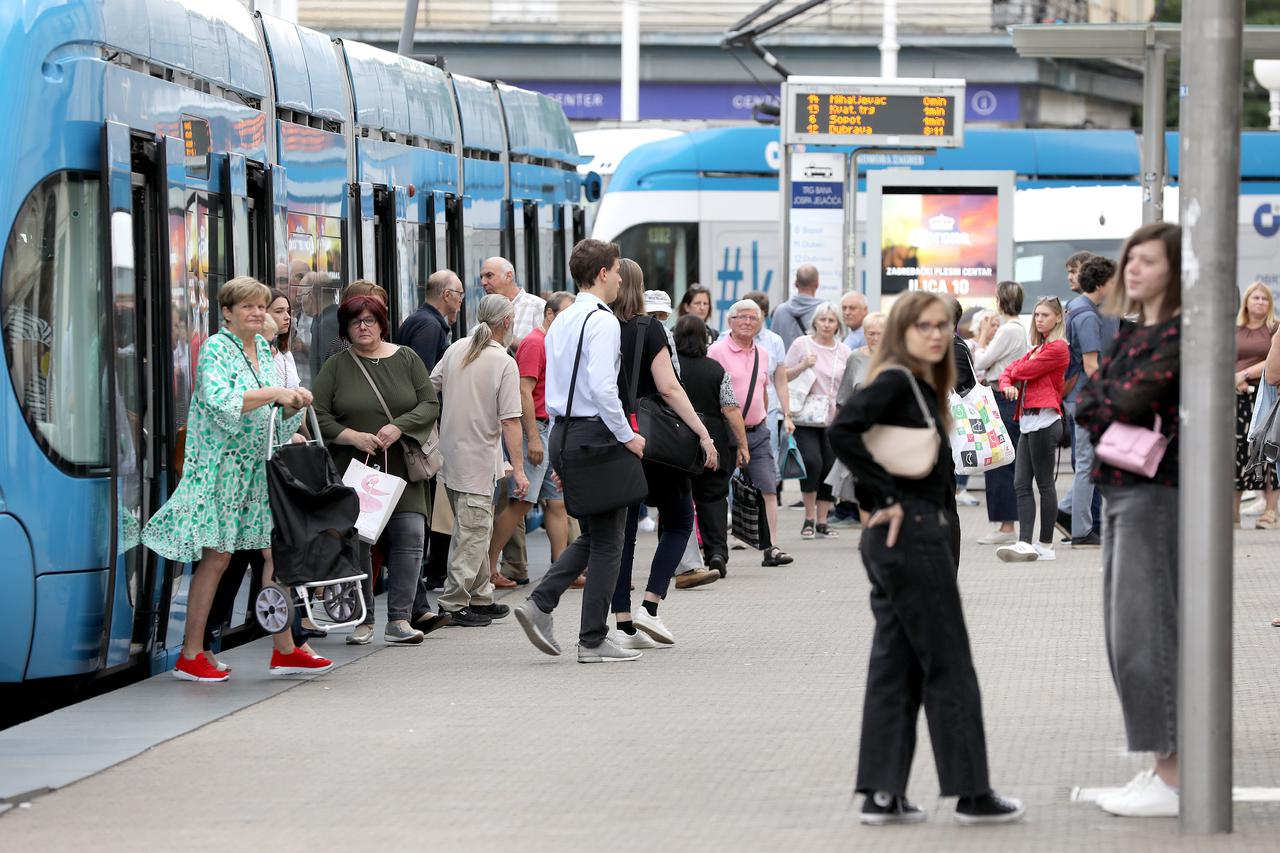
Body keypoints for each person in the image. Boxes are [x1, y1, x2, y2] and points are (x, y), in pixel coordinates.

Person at [827, 291, 1024, 826]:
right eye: (924, 326)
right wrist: (885, 495)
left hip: (910, 536)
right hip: (910, 535)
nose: (936, 335)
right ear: (903, 332)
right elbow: (844, 430)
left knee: (896, 663)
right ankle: (971, 792)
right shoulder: (897, 380)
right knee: (949, 663)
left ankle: (882, 792)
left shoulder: (917, 382)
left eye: (942, 326)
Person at [141, 276, 330, 681]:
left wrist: (295, 402)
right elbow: (220, 399)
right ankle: (191, 653)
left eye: (261, 306)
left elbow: (274, 424)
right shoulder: (215, 349)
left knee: (275, 554)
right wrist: (275, 394)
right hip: (221, 470)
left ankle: (284, 649)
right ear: (227, 313)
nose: (258, 313)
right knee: (218, 558)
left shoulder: (262, 348)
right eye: (247, 306)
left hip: (256, 470)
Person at [1076, 222, 1182, 818]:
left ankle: (1172, 774)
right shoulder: (1131, 335)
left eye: (1147, 260)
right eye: (1129, 260)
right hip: (1120, 488)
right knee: (1123, 635)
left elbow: (1124, 401)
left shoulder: (1179, 334)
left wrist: (1107, 398)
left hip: (1157, 490)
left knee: (1146, 632)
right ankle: (1159, 765)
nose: (1133, 270)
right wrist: (1108, 398)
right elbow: (1092, 402)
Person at [513, 239, 647, 663]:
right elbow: (604, 388)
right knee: (610, 541)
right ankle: (591, 639)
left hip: (564, 432)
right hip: (597, 433)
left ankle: (541, 604)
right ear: (604, 273)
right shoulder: (603, 321)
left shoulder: (563, 318)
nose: (621, 277)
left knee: (595, 534)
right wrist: (628, 436)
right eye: (617, 269)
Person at [312, 294, 444, 646]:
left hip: (404, 470)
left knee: (411, 537)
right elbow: (318, 415)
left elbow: (429, 403)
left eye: (370, 320)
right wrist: (351, 436)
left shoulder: (407, 358)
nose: (363, 326)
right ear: (345, 329)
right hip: (356, 472)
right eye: (355, 321)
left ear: (382, 323)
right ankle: (363, 620)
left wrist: (399, 427)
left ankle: (399, 619)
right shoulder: (336, 366)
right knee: (360, 544)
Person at [610, 258, 720, 649]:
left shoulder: (598, 325)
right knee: (677, 521)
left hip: (614, 437)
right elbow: (671, 389)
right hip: (654, 440)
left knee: (622, 534)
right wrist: (704, 434)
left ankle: (622, 624)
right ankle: (651, 606)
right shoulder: (649, 328)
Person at [430, 294, 527, 626]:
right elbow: (511, 420)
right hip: (480, 459)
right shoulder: (503, 361)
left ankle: (481, 596)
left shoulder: (457, 348)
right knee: (472, 534)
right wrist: (520, 467)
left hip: (452, 456)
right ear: (506, 323)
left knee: (474, 528)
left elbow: (431, 387)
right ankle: (454, 601)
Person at [488, 292, 574, 588]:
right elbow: (523, 392)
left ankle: (562, 569)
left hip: (549, 427)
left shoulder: (554, 343)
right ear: (549, 314)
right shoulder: (535, 343)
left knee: (557, 503)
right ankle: (489, 567)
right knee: (521, 502)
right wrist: (534, 439)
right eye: (566, 313)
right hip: (534, 429)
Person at [709, 299, 795, 566]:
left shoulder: (763, 353)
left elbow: (763, 393)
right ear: (730, 322)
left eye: (752, 318)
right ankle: (716, 550)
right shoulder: (716, 351)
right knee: (718, 491)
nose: (747, 322)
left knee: (768, 488)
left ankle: (771, 548)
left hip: (757, 433)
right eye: (741, 317)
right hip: (726, 433)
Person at [994, 297, 1069, 563]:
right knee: (1021, 483)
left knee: (1044, 484)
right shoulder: (1038, 348)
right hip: (1028, 421)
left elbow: (1021, 370)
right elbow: (1008, 372)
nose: (1039, 319)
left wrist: (1011, 377)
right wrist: (1008, 380)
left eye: (1045, 315)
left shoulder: (1058, 348)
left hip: (1045, 421)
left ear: (1058, 318)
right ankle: (1026, 542)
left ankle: (1045, 544)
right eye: (1036, 315)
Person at [675, 315, 749, 579]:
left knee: (675, 499)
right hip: (715, 443)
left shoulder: (669, 369)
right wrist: (743, 445)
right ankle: (717, 552)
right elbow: (730, 409)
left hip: (676, 443)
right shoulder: (716, 370)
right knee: (714, 499)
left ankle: (677, 558)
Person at [1056, 255, 1119, 547]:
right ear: (1103, 283)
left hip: (1077, 396)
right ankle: (1080, 528)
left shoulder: (1076, 308)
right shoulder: (1088, 315)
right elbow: (1092, 364)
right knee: (1087, 463)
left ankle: (1071, 514)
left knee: (1090, 461)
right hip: (1086, 397)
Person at [782, 303, 851, 538]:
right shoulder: (802, 344)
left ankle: (823, 521)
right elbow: (782, 375)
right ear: (815, 322)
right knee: (812, 462)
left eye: (832, 321)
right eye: (823, 320)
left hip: (834, 418)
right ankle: (808, 518)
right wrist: (803, 365)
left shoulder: (843, 351)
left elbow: (848, 384)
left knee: (830, 467)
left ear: (838, 325)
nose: (827, 324)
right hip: (806, 416)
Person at [972, 281, 1028, 545]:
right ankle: (1006, 524)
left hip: (1001, 396)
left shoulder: (1007, 331)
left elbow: (981, 361)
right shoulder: (1020, 329)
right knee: (1005, 460)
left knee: (998, 461)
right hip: (1010, 396)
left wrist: (982, 335)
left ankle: (1005, 527)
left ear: (1000, 301)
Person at [1234, 281, 1280, 528]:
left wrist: (1244, 374)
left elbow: (1273, 365)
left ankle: (1270, 511)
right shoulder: (1236, 329)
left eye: (1264, 298)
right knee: (1238, 453)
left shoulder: (1275, 328)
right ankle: (1233, 513)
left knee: (1269, 447)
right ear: (1247, 301)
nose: (1260, 302)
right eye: (1256, 298)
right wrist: (1233, 379)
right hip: (1237, 397)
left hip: (1266, 397)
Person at [397, 269, 463, 373]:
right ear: (447, 295)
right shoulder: (430, 326)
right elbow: (423, 377)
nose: (461, 300)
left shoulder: (422, 320)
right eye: (460, 294)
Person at [480, 256, 545, 345]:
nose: (483, 282)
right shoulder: (486, 308)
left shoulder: (537, 307)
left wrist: (504, 338)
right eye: (481, 277)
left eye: (489, 275)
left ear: (508, 276)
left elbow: (544, 349)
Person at [837, 312, 887, 405]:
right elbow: (843, 399)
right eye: (871, 334)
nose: (875, 338)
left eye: (880, 334)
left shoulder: (896, 358)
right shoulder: (855, 357)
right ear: (864, 334)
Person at [771, 264, 824, 351]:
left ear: (796, 284)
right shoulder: (824, 311)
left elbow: (773, 346)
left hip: (786, 364)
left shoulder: (780, 311)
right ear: (817, 284)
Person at [267, 290, 301, 390]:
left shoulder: (286, 355)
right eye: (279, 311)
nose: (287, 317)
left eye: (287, 310)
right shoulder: (254, 355)